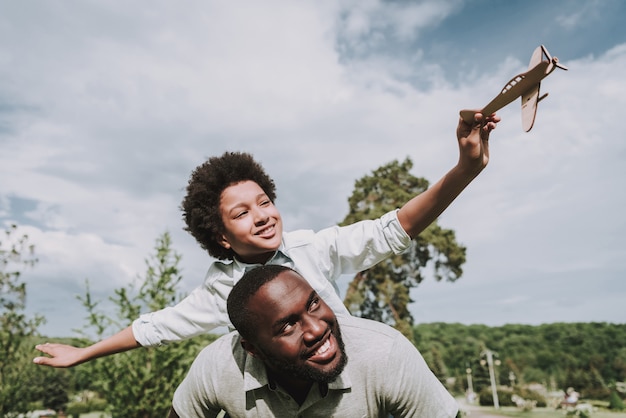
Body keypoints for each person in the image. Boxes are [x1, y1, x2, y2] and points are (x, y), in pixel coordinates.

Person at [33, 112, 500, 368]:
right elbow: (153, 327)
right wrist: (85, 353)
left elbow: (391, 228)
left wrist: (464, 169)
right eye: (241, 212)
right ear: (220, 236)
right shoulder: (220, 289)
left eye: (263, 202)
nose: (262, 216)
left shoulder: (309, 248)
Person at [169, 265, 459, 417]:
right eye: (287, 325)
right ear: (253, 349)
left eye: (313, 304)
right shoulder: (217, 367)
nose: (317, 329)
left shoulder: (385, 353)